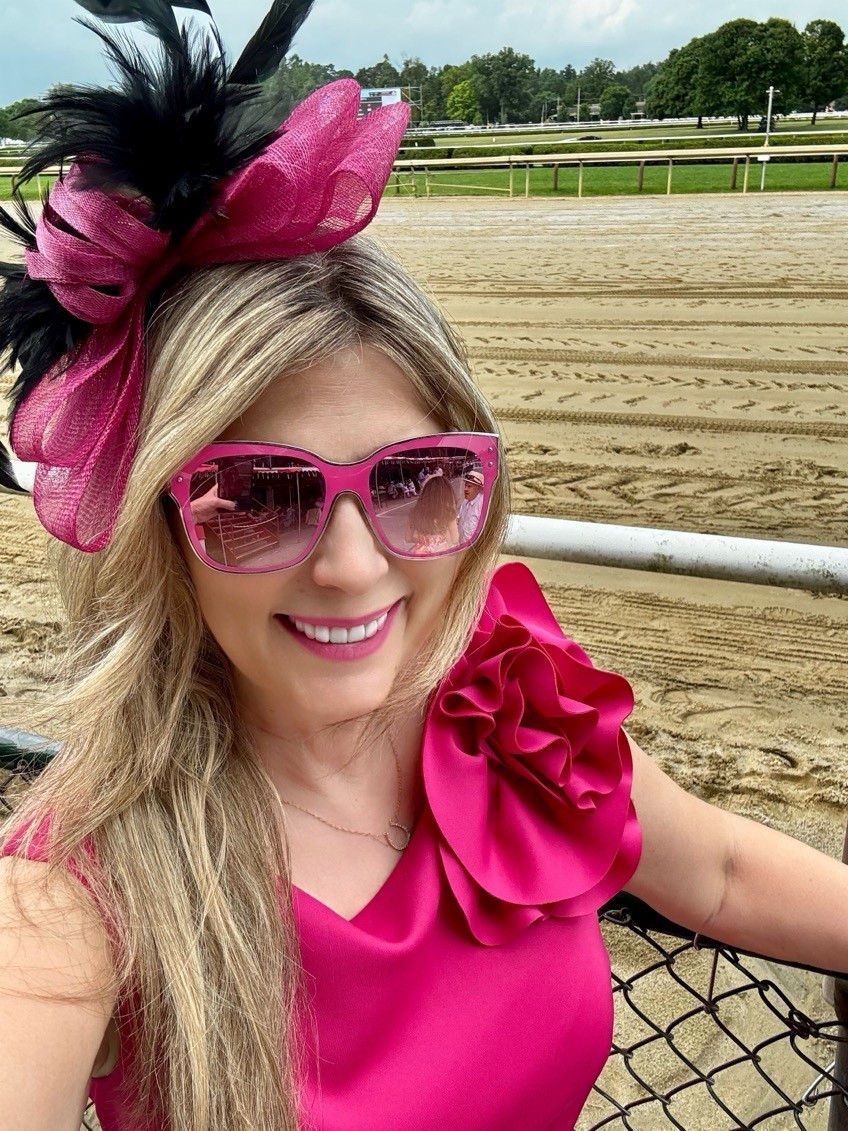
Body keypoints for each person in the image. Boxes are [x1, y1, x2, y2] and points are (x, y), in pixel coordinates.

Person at [1, 7, 848, 1131]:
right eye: (256, 494)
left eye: (415, 478)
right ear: (160, 523)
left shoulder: (512, 711)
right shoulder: (74, 891)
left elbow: (723, 877)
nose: (355, 570)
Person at [404, 474, 460, 555]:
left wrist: (423, 540)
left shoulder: (414, 513)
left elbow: (408, 538)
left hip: (420, 554)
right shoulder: (449, 514)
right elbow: (455, 539)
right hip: (440, 555)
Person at [457, 468, 485, 545]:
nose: (465, 489)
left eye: (469, 486)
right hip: (462, 546)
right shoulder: (465, 502)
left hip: (474, 548)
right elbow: (459, 519)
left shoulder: (482, 504)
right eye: (465, 485)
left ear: (478, 488)